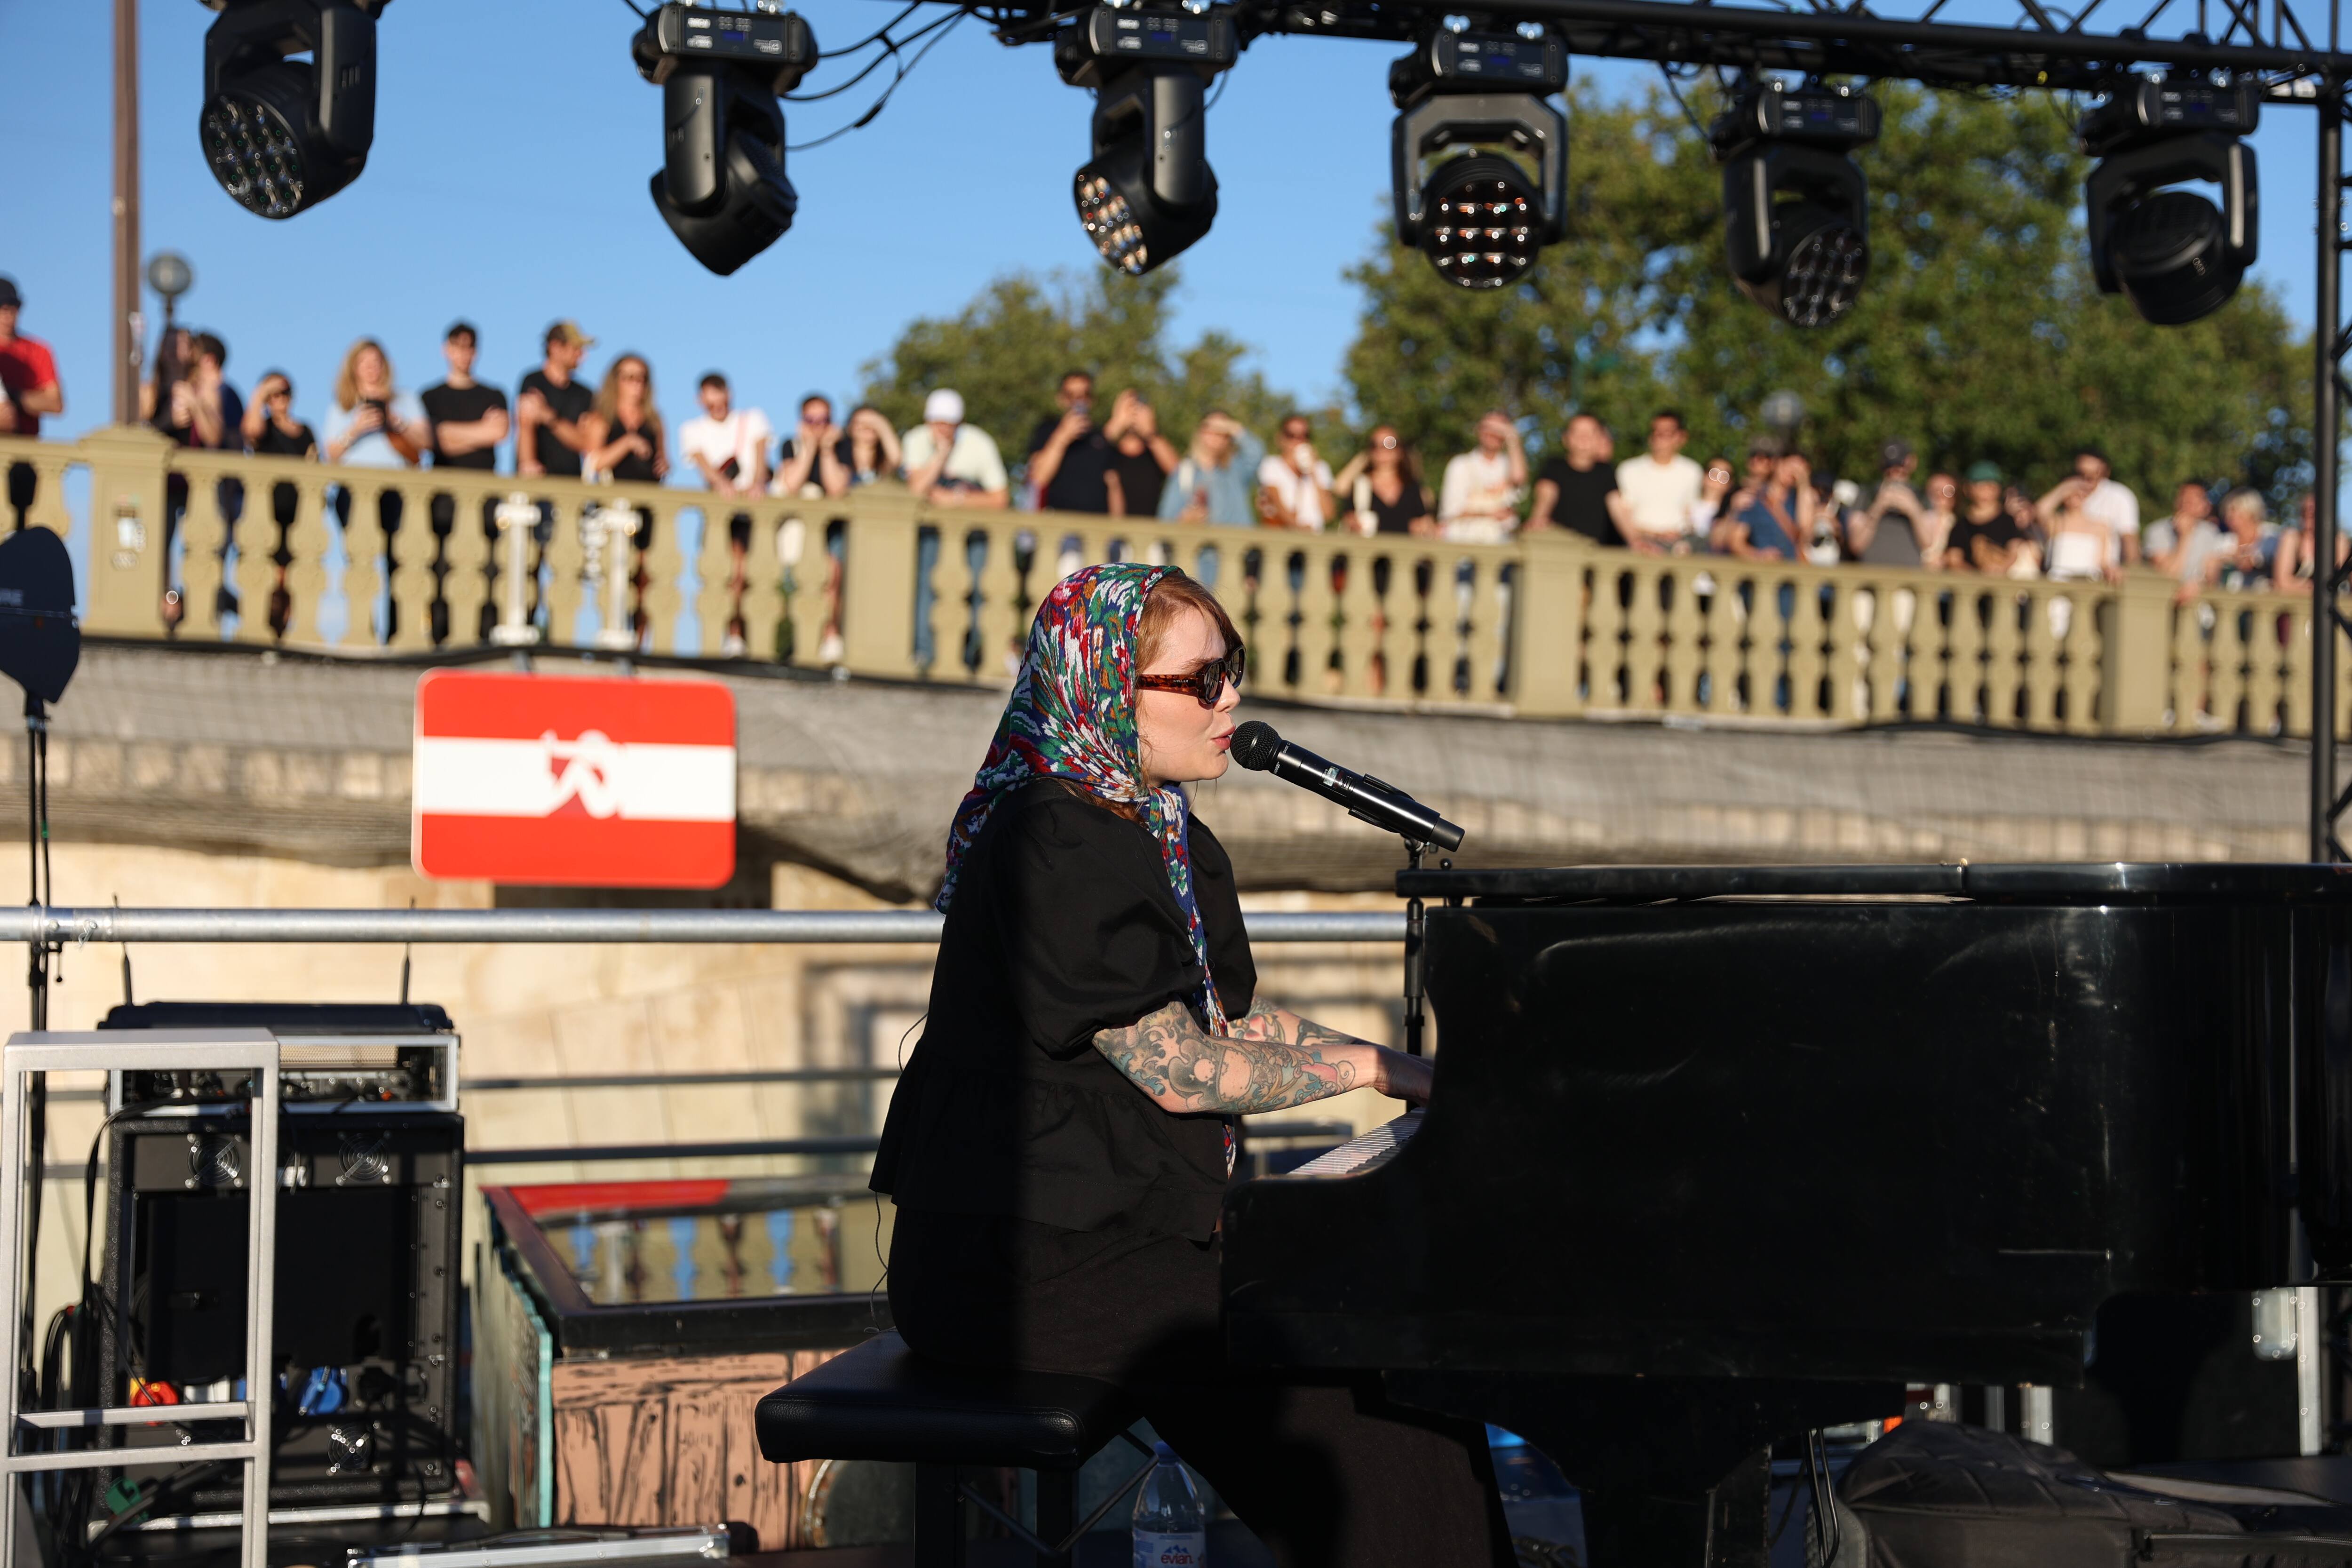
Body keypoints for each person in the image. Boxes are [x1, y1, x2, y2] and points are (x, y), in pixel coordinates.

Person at [872, 563, 1510, 1568]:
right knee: (1332, 1367)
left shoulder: (1162, 829)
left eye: (1234, 672)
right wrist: (1373, 1076)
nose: (1233, 702)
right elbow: (1177, 1069)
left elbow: (1225, 1024)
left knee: (1385, 1346)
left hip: (1125, 1232)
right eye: (1202, 679)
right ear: (1103, 689)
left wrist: (1412, 1069)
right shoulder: (1052, 835)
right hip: (1019, 1261)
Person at [239, 370, 315, 636]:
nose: (279, 400)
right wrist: (260, 393)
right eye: (273, 395)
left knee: (291, 579)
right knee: (267, 578)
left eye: (283, 393)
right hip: (266, 514)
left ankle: (284, 630)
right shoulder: (265, 428)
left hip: (297, 515)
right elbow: (250, 430)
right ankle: (265, 630)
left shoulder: (305, 431)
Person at [0, 276, 64, 525]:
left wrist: (14, 398)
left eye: (13, 308)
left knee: (21, 533)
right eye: (3, 308)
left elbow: (55, 403)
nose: (8, 315)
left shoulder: (38, 351)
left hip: (24, 457)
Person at [421, 322, 509, 473]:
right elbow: (428, 440)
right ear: (446, 350)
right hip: (443, 488)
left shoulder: (494, 395)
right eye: (457, 347)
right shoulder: (430, 397)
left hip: (485, 486)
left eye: (469, 347)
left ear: (476, 352)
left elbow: (499, 432)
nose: (464, 354)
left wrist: (444, 430)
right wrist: (482, 432)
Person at [1526, 413, 1625, 544]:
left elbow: (1617, 507)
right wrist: (1538, 519)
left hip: (1597, 549)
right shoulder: (1554, 466)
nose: (1584, 438)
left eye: (1590, 433)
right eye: (1577, 432)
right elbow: (1546, 495)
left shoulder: (1606, 471)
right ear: (1566, 438)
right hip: (1561, 546)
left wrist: (1636, 540)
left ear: (1600, 439)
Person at [1614, 410, 1705, 552]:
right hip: (1640, 546)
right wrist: (1652, 535)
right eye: (1656, 432)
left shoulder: (1692, 471)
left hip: (1679, 547)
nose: (1659, 438)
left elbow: (1691, 514)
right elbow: (1624, 515)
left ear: (1681, 438)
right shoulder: (1628, 469)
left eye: (1666, 433)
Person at [1027, 370, 1116, 514]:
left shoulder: (1101, 437)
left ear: (1091, 400)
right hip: (1056, 526)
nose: (1078, 401)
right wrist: (1062, 437)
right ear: (1060, 399)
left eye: (1084, 395)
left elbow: (1114, 485)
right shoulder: (1047, 430)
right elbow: (1038, 479)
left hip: (1097, 528)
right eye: (1071, 395)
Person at [903, 389, 1010, 509]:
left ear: (960, 423)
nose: (943, 429)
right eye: (938, 423)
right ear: (928, 421)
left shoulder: (981, 443)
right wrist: (941, 456)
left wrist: (954, 499)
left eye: (949, 424)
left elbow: (1001, 499)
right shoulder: (915, 439)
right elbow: (916, 490)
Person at [516, 321, 596, 480]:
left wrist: (548, 416)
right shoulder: (533, 381)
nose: (582, 355)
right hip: (537, 482)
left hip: (571, 484)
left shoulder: (585, 394)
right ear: (555, 348)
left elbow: (587, 442)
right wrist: (528, 465)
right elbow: (525, 423)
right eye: (576, 348)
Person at [1437, 410, 1529, 544]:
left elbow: (1519, 480)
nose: (1493, 434)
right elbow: (1452, 513)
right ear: (1479, 431)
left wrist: (1512, 437)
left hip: (1501, 546)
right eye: (1488, 428)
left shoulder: (1510, 465)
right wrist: (1491, 514)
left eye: (1500, 430)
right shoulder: (1460, 465)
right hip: (1462, 544)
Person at [1157, 412, 1262, 528]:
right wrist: (1184, 519)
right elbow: (1166, 517)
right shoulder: (1184, 473)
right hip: (1201, 544)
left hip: (1236, 544)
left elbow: (1256, 453)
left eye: (1222, 431)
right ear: (1200, 433)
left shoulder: (1236, 470)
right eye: (1210, 428)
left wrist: (1236, 429)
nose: (1215, 434)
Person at [1333, 426, 1434, 536]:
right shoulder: (1361, 485)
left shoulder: (1412, 486)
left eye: (1389, 443)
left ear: (1400, 449)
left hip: (1405, 551)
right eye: (1375, 445)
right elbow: (1338, 488)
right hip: (1368, 550)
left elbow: (1425, 520)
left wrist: (1423, 527)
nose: (1382, 450)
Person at [582, 354, 667, 486]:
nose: (637, 383)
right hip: (613, 500)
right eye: (630, 378)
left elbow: (662, 457)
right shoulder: (601, 418)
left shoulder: (655, 421)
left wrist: (663, 464)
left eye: (642, 378)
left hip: (649, 496)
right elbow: (594, 463)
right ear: (615, 381)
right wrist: (627, 443)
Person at [1717, 449, 1812, 560]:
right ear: (1778, 464)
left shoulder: (1800, 501)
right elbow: (1736, 541)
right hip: (1761, 570)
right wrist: (1759, 555)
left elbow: (1806, 533)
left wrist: (1804, 485)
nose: (1793, 473)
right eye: (1790, 467)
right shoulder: (1754, 499)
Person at [1848, 441, 1931, 566]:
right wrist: (1877, 508)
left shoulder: (1921, 496)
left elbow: (1928, 543)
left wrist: (1913, 510)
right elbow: (1857, 545)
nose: (1895, 471)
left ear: (1912, 463)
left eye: (1900, 465)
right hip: (1870, 577)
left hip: (1909, 580)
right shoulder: (1867, 495)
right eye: (1890, 466)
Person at [1943, 461, 2033, 574]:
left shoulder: (2008, 521)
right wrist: (1978, 575)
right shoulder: (1961, 526)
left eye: (1991, 486)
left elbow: (2014, 551)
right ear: (1968, 489)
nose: (1986, 491)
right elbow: (1954, 559)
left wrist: (2000, 569)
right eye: (1980, 486)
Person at [2035, 471, 2122, 584]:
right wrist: (2065, 487)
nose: (2076, 494)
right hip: (2057, 585)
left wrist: (2112, 570)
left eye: (2080, 490)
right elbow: (2040, 511)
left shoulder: (2101, 526)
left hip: (2088, 586)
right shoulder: (2055, 522)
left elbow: (2104, 562)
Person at [1103, 390, 1179, 517]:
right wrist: (1116, 425)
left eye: (1139, 408)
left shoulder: (1155, 451)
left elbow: (1180, 474)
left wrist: (1150, 433)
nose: (1133, 414)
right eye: (1129, 408)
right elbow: (1089, 460)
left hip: (1149, 532)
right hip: (1107, 532)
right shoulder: (1107, 451)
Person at [1257, 413, 1337, 531]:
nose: (1298, 441)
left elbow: (1329, 514)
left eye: (1304, 436)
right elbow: (1277, 504)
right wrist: (1298, 528)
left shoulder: (1321, 468)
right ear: (1281, 438)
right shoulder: (1272, 464)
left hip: (1314, 540)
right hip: (1281, 537)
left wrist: (1312, 472)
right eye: (1291, 435)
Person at [2072, 446, 2141, 566]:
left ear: (2106, 473)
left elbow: (2129, 538)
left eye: (2093, 474)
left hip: (2106, 575)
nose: (2086, 479)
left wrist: (2132, 571)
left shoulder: (2120, 496)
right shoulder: (2070, 493)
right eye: (2082, 473)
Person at [776, 393, 850, 499]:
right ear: (802, 422)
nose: (818, 425)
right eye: (810, 420)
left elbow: (836, 489)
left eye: (824, 419)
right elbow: (791, 486)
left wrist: (827, 448)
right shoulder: (790, 445)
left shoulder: (842, 446)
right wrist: (809, 447)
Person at [842, 405, 901, 487]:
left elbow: (896, 460)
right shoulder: (840, 455)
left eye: (873, 423)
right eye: (861, 423)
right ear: (850, 428)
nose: (867, 426)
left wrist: (883, 427)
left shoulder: (884, 461)